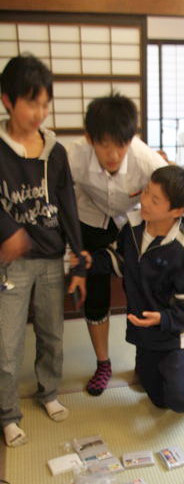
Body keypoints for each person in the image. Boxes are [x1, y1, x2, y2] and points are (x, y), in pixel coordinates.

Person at [75, 165, 184, 412]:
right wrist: (90, 262)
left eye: (154, 199)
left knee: (181, 401)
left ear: (176, 211)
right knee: (156, 397)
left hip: (177, 334)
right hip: (145, 333)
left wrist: (164, 318)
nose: (144, 201)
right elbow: (119, 260)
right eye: (146, 192)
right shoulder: (133, 227)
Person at [0, 54, 86, 447]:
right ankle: (6, 413)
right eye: (32, 102)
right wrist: (9, 232)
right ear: (7, 101)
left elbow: (68, 204)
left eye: (45, 104)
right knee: (7, 342)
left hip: (51, 258)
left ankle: (48, 392)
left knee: (52, 334)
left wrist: (78, 255)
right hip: (12, 263)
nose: (40, 112)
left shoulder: (56, 152)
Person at [67, 94, 167, 396]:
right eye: (104, 144)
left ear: (131, 138)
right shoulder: (74, 157)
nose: (113, 154)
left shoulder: (146, 158)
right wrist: (73, 250)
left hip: (132, 223)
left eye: (121, 144)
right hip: (90, 221)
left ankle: (145, 357)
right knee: (96, 295)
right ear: (89, 139)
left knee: (141, 290)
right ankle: (103, 364)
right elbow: (60, 201)